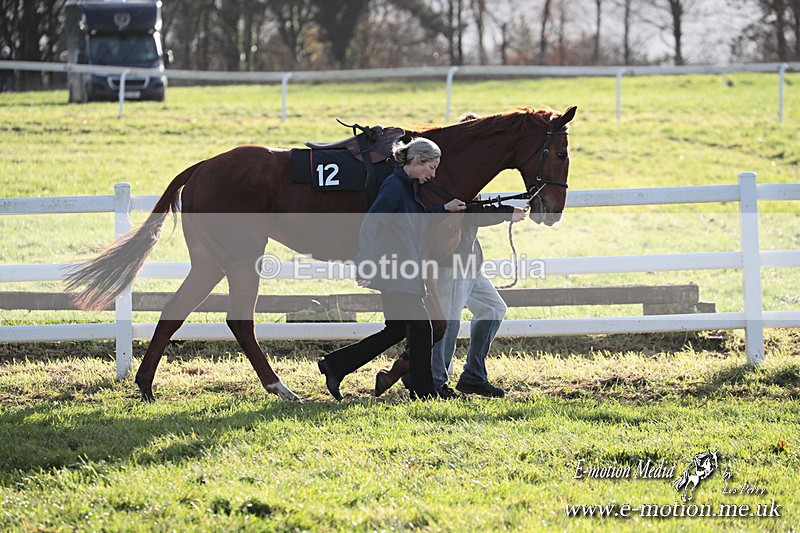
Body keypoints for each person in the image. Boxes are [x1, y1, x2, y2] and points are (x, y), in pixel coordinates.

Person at [317, 137, 466, 401]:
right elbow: (372, 224)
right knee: (422, 330)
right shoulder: (395, 187)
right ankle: (425, 393)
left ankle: (335, 365)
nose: (432, 175)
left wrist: (443, 208)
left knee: (397, 329)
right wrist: (366, 262)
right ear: (417, 161)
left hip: (403, 270)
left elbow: (415, 221)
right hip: (397, 271)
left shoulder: (408, 188)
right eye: (431, 168)